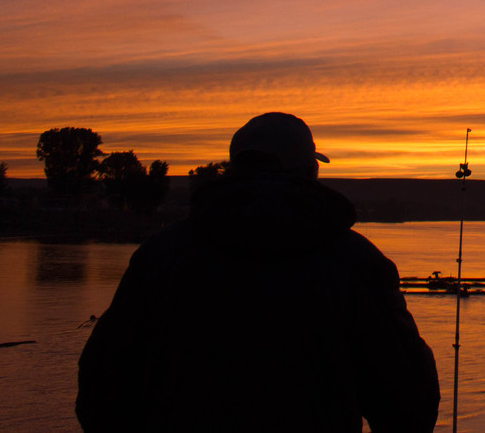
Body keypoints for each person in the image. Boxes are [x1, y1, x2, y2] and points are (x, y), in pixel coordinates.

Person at [77, 112, 439, 433]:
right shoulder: (357, 263)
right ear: (309, 172)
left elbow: (101, 391)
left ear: (234, 169)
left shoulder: (160, 256)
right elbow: (409, 408)